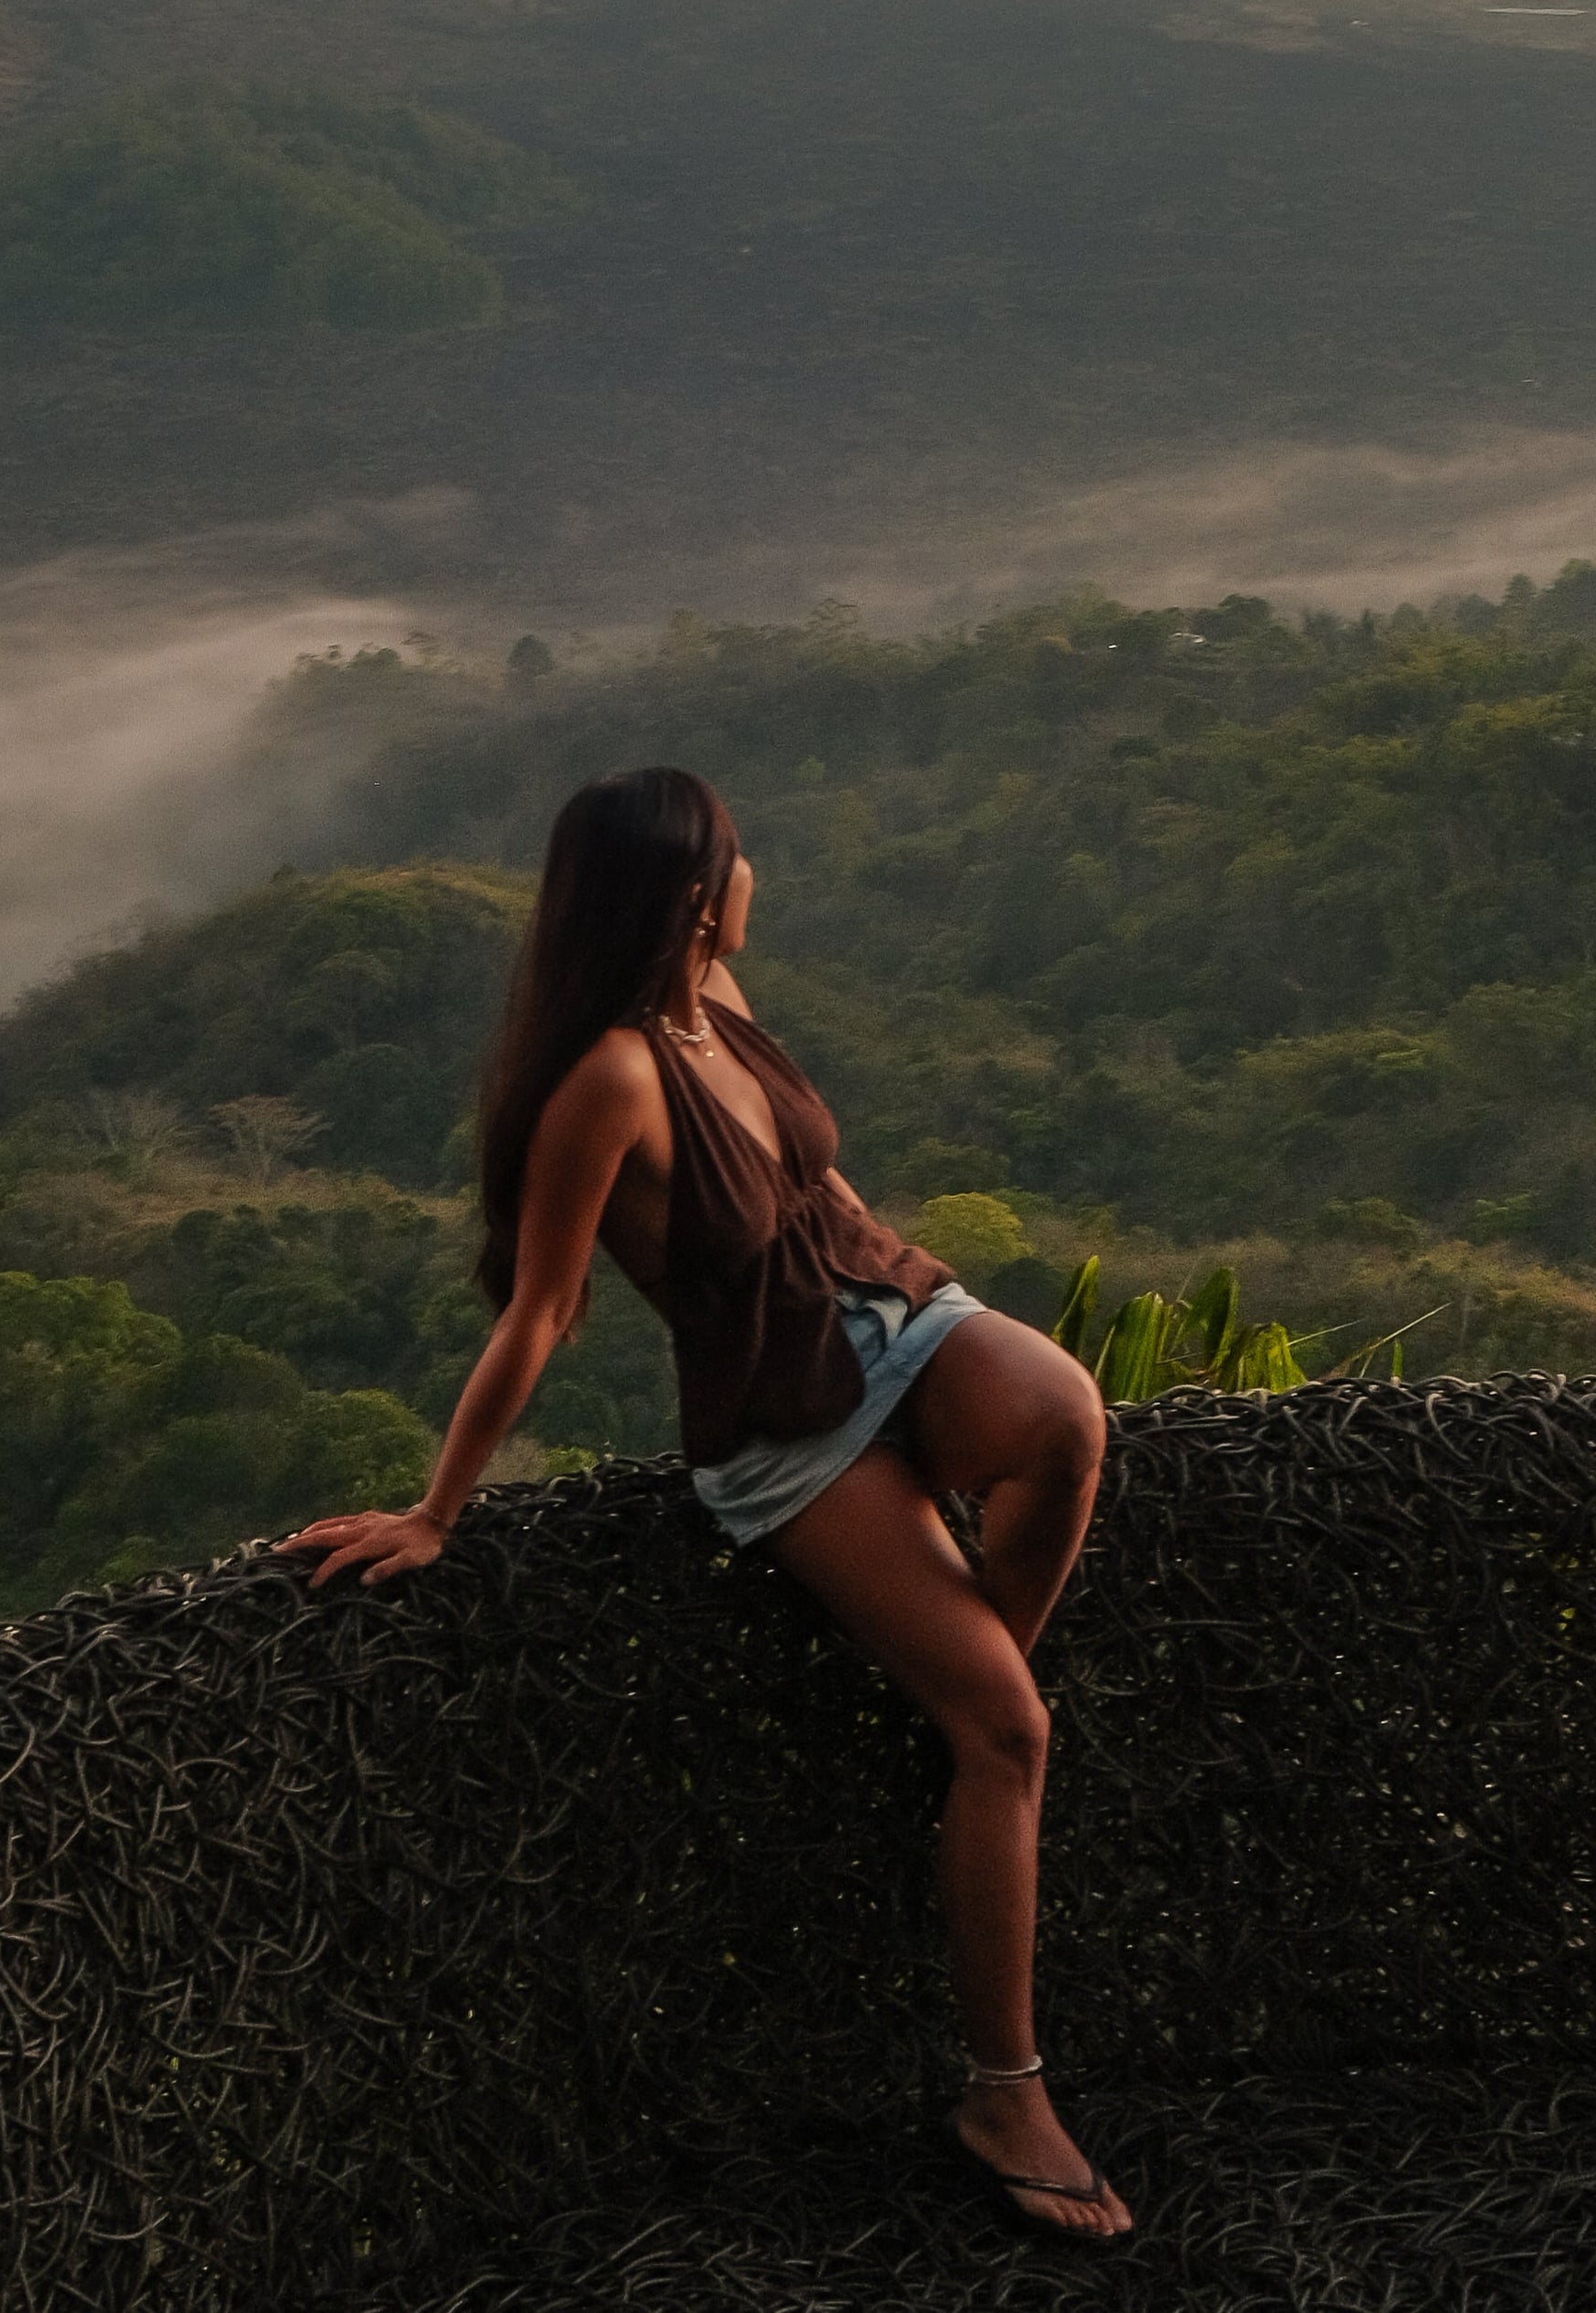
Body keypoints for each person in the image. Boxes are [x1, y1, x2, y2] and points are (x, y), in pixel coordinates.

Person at [282, 765, 1131, 2244]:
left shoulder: (720, 997)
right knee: (1014, 1731)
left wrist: (913, 1315)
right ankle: (1004, 2083)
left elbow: (811, 1177)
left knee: (1064, 1415)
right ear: (691, 896)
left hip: (888, 1314)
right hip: (788, 1426)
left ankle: (957, 1704)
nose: (757, 881)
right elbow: (541, 1313)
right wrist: (436, 1511)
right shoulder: (606, 1083)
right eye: (739, 862)